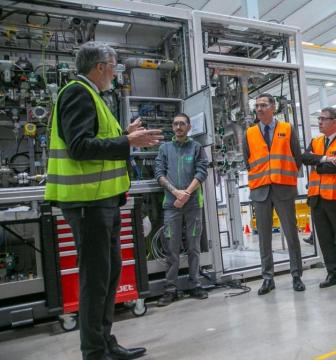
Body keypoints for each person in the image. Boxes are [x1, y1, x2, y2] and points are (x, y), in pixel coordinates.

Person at [45, 42, 162, 359]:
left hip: (103, 202)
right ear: (100, 66)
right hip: (88, 203)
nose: (115, 72)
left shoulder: (92, 95)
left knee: (109, 274)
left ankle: (105, 341)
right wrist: (127, 141)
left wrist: (125, 134)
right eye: (114, 66)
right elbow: (80, 147)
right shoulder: (77, 93)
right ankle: (94, 351)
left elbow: (95, 141)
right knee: (95, 279)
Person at [242, 93, 305, 295]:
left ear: (273, 107)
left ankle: (296, 276)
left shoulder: (287, 129)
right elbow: (247, 161)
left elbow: (297, 157)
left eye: (263, 105)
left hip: (283, 188)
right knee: (264, 238)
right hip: (260, 190)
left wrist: (284, 176)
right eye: (257, 106)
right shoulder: (249, 133)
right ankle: (267, 278)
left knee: (291, 234)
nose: (259, 109)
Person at [154, 113, 209, 306]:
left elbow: (202, 171)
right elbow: (159, 173)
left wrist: (186, 193)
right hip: (172, 205)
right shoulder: (164, 148)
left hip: (193, 204)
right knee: (171, 248)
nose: (178, 127)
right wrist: (176, 192)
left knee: (194, 247)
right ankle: (170, 289)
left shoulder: (196, 148)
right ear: (172, 126)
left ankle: (195, 284)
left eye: (182, 124)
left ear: (188, 127)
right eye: (176, 123)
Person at [302, 107, 336, 288]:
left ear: (334, 121)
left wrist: (317, 165)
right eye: (319, 119)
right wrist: (325, 159)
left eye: (323, 119)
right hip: (317, 199)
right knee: (325, 240)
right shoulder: (316, 141)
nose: (319, 122)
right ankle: (333, 274)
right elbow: (304, 157)